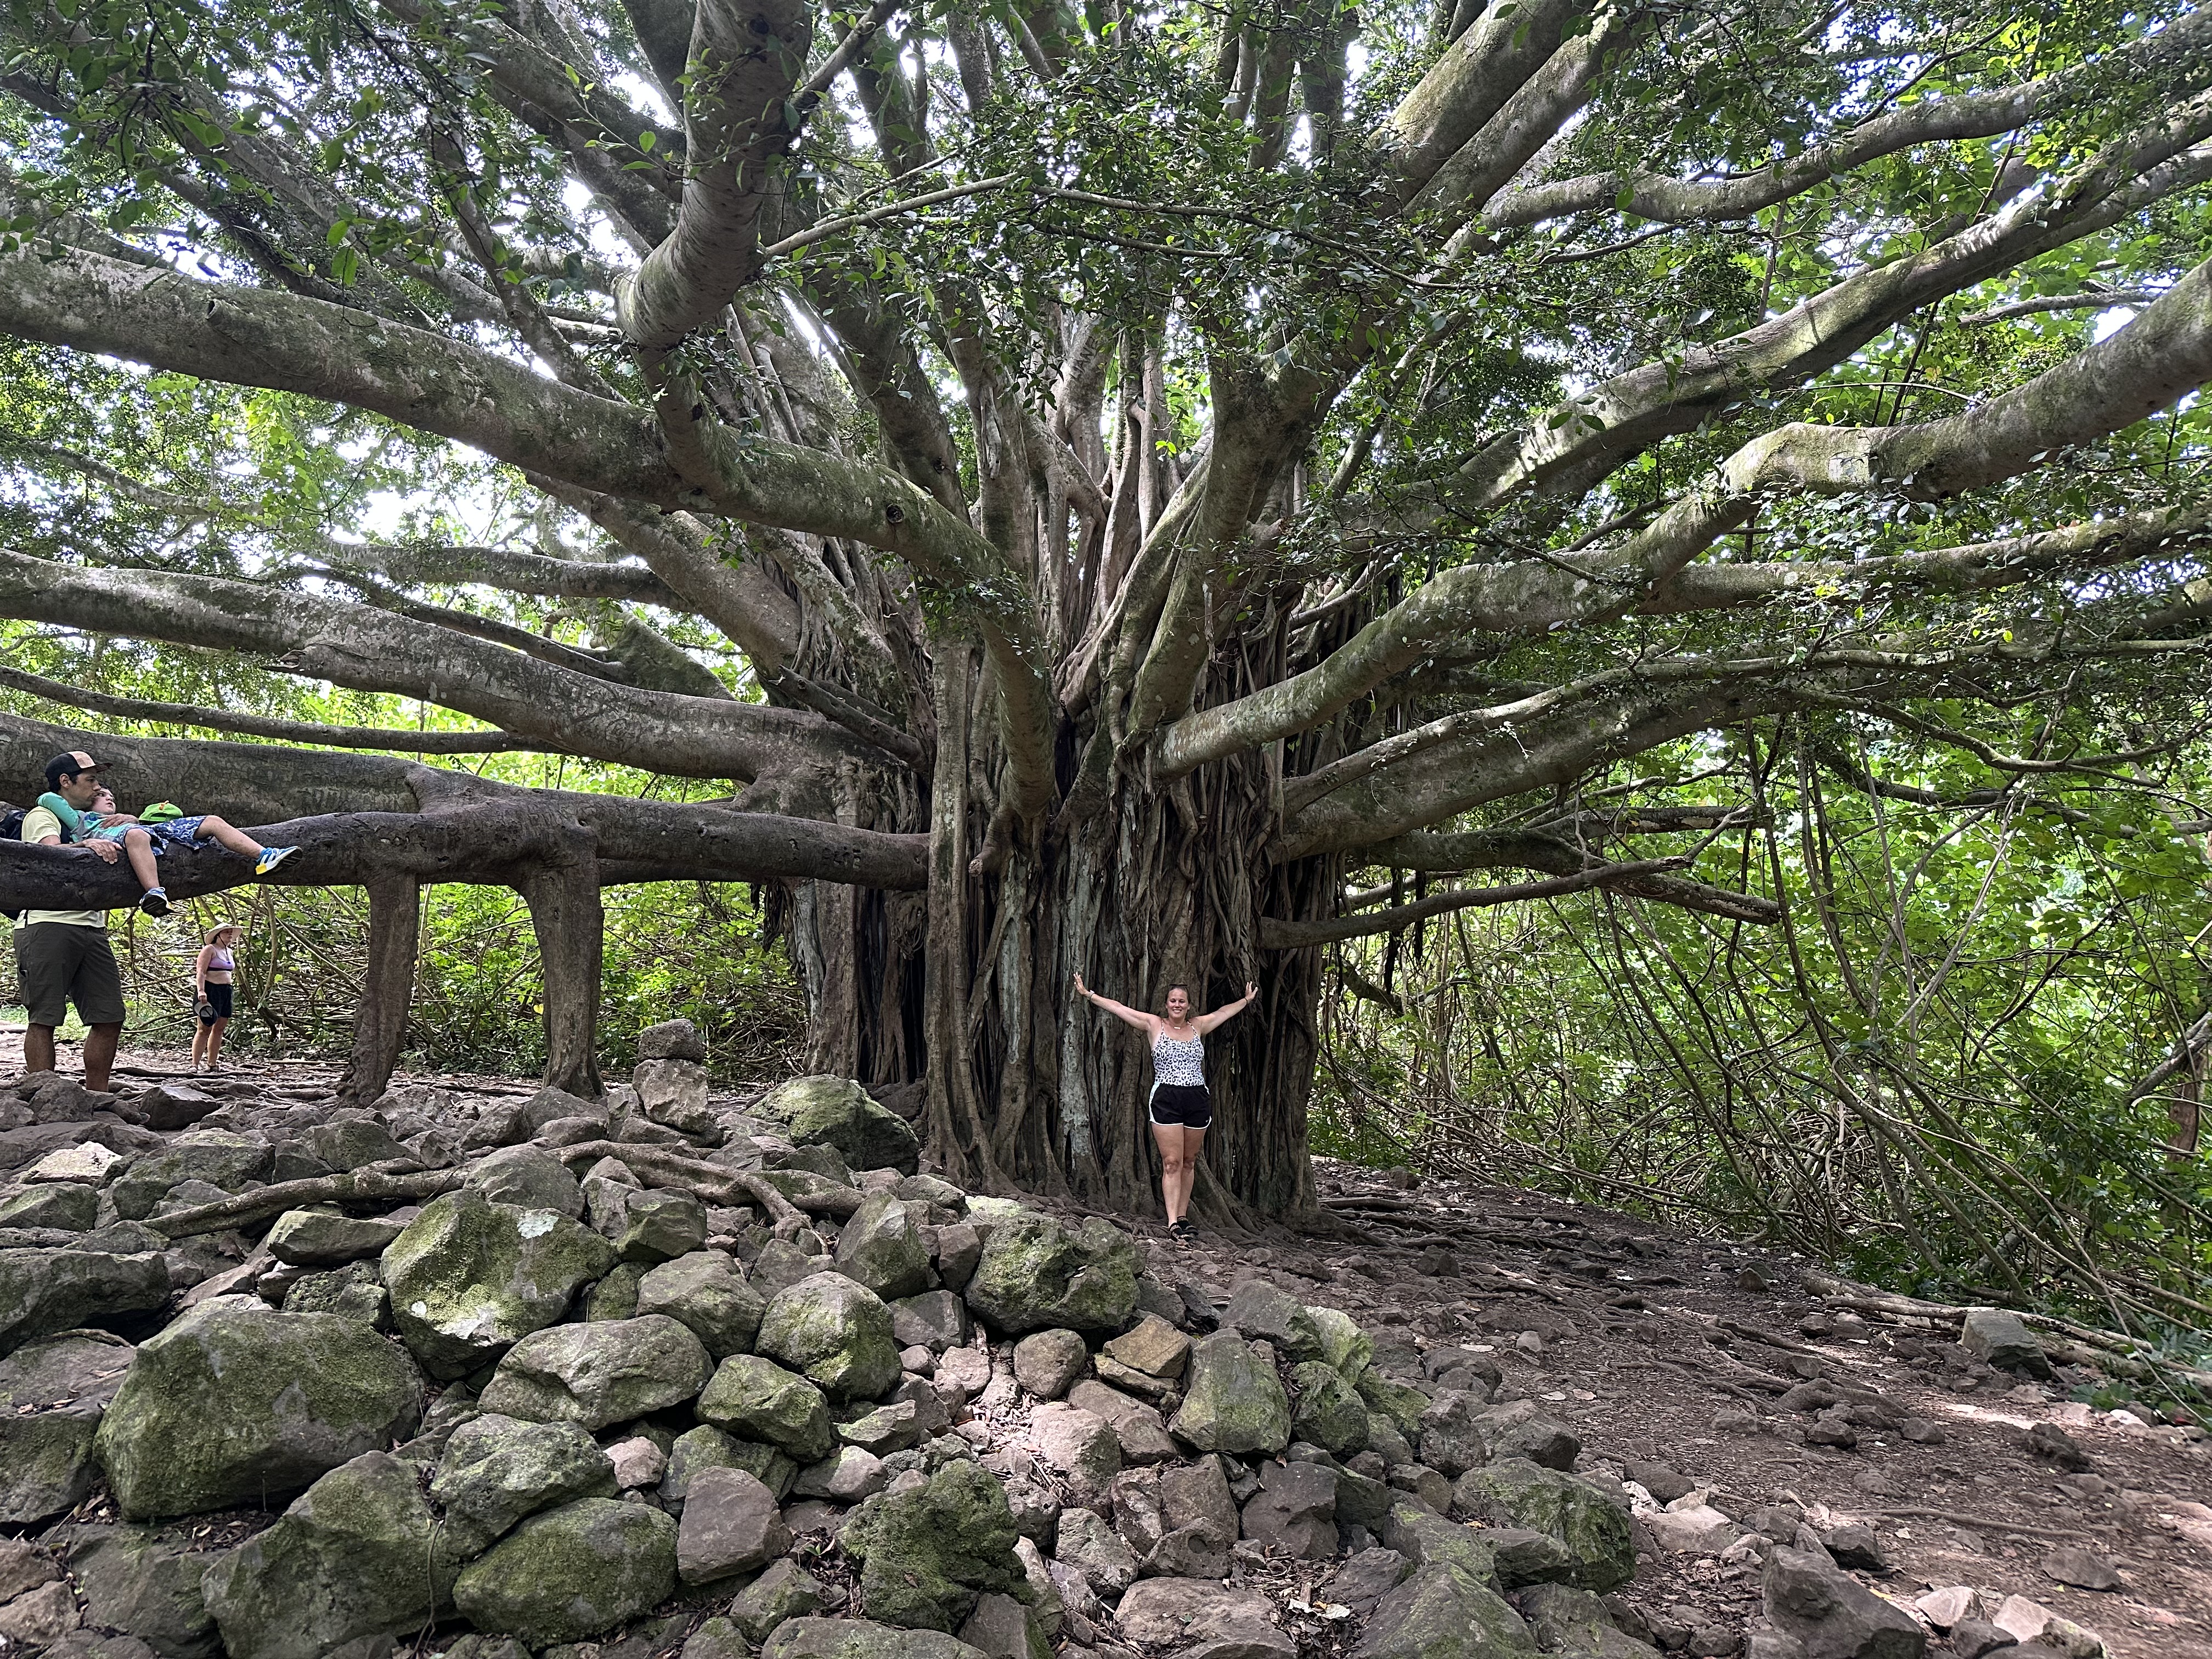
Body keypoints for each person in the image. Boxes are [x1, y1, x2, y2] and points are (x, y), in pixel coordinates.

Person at [1074, 971, 1259, 1240]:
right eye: (1173, 1000)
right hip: (1166, 1099)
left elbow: (1223, 1012)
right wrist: (1089, 995)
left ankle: (1184, 1217)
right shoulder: (1153, 1025)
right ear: (1166, 1004)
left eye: (1182, 1001)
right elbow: (1120, 1009)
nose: (1177, 1005)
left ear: (1188, 1005)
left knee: (1189, 1161)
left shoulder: (1198, 1026)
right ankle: (1173, 1222)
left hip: (1197, 1099)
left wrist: (1245, 1000)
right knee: (1171, 1162)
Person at [14, 752, 127, 1092]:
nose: (96, 788)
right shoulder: (43, 815)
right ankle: (44, 1095)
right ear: (66, 782)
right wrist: (87, 843)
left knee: (109, 1016)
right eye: (89, 780)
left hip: (92, 926)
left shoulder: (88, 819)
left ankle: (97, 1096)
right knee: (44, 1017)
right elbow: (50, 853)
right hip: (46, 923)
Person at [59, 787, 297, 917]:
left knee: (213, 821)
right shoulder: (81, 819)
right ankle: (153, 892)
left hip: (149, 829)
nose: (109, 798)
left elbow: (142, 824)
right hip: (131, 836)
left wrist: (133, 818)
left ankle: (265, 856)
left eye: (111, 796)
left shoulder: (129, 820)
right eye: (102, 795)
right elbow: (47, 798)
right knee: (136, 835)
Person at [192, 923, 242, 1073]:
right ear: (218, 935)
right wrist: (201, 991)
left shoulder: (229, 952)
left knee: (219, 1028)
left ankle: (212, 1064)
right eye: (226, 932)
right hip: (210, 990)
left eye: (231, 932)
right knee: (204, 1028)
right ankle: (194, 1065)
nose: (230, 935)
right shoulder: (209, 950)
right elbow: (201, 972)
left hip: (226, 991)